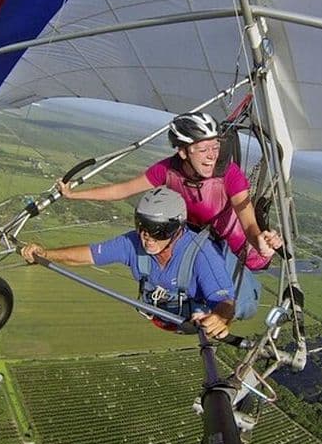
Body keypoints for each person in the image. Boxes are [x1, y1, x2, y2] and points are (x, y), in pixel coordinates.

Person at [57, 111, 282, 271]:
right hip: (196, 234)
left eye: (215, 147)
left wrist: (258, 239)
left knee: (254, 263)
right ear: (183, 152)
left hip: (234, 237)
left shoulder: (228, 173)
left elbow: (247, 218)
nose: (212, 155)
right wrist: (74, 194)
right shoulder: (167, 170)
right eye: (203, 149)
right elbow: (122, 190)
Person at [21, 187, 235, 339]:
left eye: (158, 230)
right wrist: (46, 254)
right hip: (161, 317)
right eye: (142, 226)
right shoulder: (133, 242)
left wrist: (219, 318)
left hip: (193, 319)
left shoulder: (201, 254)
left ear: (177, 229)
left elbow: (225, 301)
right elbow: (89, 254)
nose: (147, 237)